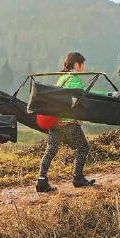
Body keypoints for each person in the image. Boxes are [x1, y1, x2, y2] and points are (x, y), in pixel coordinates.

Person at [36, 52, 99, 193]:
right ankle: (77, 178)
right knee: (83, 147)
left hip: (55, 121)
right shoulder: (74, 80)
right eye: (82, 64)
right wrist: (108, 95)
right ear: (76, 64)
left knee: (50, 150)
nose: (83, 67)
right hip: (69, 122)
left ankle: (41, 180)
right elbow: (86, 96)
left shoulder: (62, 78)